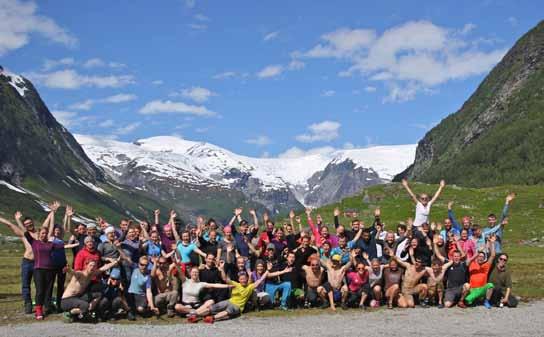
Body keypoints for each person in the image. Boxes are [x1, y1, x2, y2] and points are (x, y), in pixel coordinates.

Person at [197, 270, 269, 322]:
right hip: (229, 301)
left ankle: (212, 318)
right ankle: (195, 315)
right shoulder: (235, 284)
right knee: (212, 307)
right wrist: (222, 269)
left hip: (237, 307)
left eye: (244, 279)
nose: (243, 280)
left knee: (228, 311)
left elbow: (260, 280)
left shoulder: (250, 287)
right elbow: (225, 279)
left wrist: (267, 270)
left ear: (247, 279)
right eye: (241, 279)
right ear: (239, 280)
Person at [61, 258, 120, 322]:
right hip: (66, 300)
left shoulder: (91, 274)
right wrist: (68, 270)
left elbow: (104, 268)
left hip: (77, 298)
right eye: (90, 265)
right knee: (85, 305)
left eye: (94, 266)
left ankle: (87, 311)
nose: (92, 267)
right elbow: (73, 272)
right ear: (86, 266)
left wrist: (116, 261)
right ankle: (69, 313)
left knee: (98, 295)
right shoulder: (80, 274)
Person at [464, 236, 497, 308]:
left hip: (482, 289)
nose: (480, 258)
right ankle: (475, 299)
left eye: (482, 256)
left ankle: (486, 301)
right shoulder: (472, 264)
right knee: (467, 301)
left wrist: (492, 243)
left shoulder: (486, 266)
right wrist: (477, 252)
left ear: (484, 258)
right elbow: (467, 262)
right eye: (479, 256)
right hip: (472, 289)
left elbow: (493, 255)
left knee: (490, 285)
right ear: (476, 257)